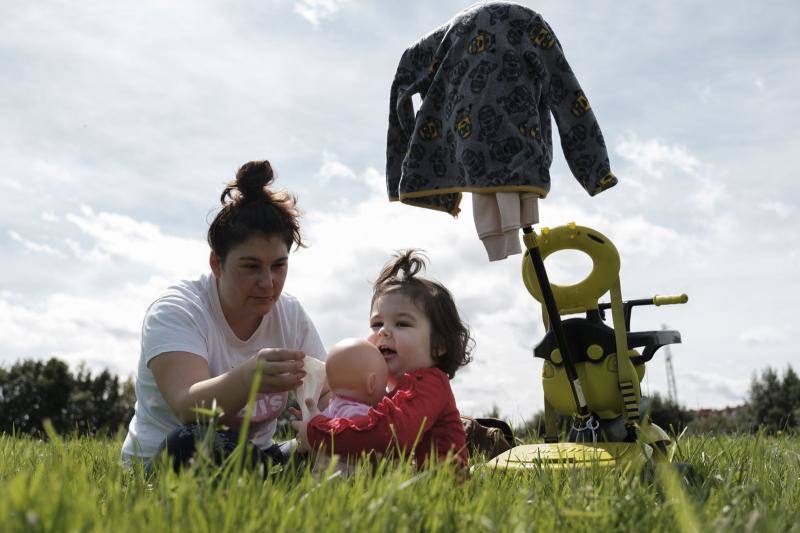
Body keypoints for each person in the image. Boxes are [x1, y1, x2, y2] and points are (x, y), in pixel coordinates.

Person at [121, 160, 328, 470]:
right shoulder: (177, 310)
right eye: (250, 266)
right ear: (216, 264)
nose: (267, 282)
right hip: (167, 458)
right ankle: (267, 482)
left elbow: (328, 392)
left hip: (257, 455)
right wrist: (249, 377)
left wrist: (324, 426)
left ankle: (265, 478)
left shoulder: (290, 314)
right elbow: (187, 407)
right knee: (193, 441)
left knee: (337, 444)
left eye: (278, 266)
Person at [292, 250, 473, 468]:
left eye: (402, 323)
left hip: (443, 493)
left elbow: (387, 435)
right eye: (377, 324)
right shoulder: (394, 392)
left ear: (438, 345)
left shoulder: (430, 384)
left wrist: (317, 431)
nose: (383, 332)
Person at [321, 338, 389, 419]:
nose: (386, 392)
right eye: (384, 386)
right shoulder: (361, 415)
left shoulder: (329, 410)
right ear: (371, 384)